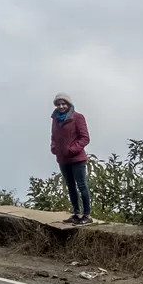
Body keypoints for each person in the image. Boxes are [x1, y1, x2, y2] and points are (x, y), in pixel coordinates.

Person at [50, 93, 92, 225]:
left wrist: (72, 149)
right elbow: (53, 136)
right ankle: (76, 213)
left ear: (68, 104)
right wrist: (53, 147)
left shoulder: (78, 117)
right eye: (58, 104)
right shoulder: (55, 119)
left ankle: (86, 215)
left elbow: (85, 138)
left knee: (82, 186)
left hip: (77, 159)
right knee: (70, 187)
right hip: (62, 160)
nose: (61, 106)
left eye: (64, 104)